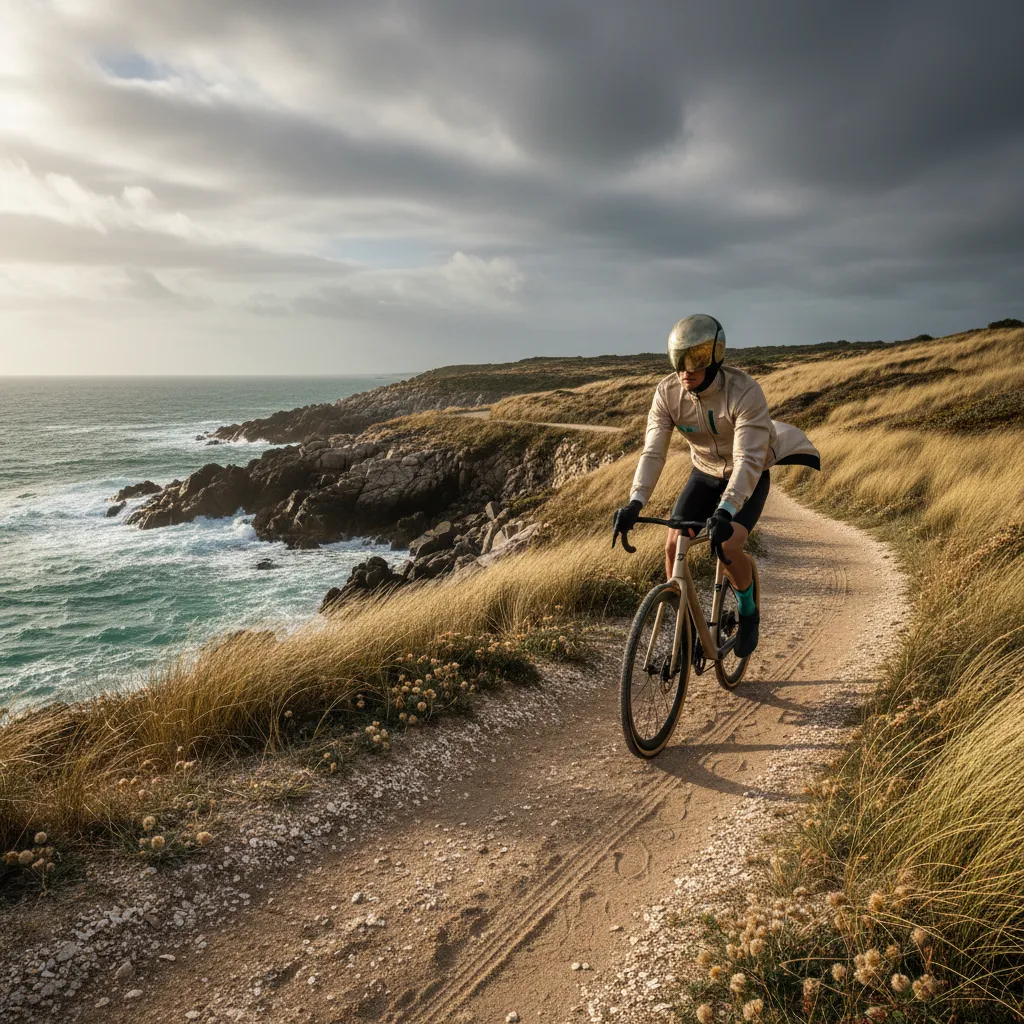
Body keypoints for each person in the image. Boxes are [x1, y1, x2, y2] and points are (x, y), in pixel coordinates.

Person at [613, 314, 819, 658]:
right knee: (672, 544)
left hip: (747, 473)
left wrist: (726, 510)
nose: (686, 370)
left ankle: (748, 610)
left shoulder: (744, 392)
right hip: (704, 471)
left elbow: (749, 461)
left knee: (728, 545)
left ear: (715, 356)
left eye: (695, 360)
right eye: (679, 360)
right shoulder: (668, 393)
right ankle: (685, 627)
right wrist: (636, 502)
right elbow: (653, 451)